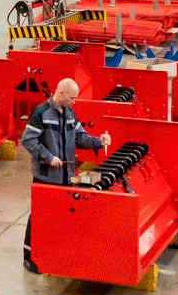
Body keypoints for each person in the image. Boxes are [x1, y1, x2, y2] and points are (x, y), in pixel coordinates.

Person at [21, 77, 112, 273]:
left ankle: (54, 252)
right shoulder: (41, 113)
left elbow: (80, 137)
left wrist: (98, 141)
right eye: (72, 98)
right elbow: (28, 140)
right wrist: (48, 156)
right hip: (46, 177)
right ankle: (29, 256)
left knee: (61, 216)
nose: (74, 102)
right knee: (39, 217)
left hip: (66, 176)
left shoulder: (69, 113)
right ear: (60, 93)